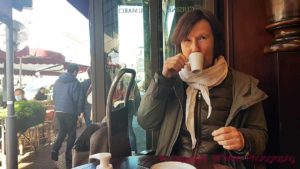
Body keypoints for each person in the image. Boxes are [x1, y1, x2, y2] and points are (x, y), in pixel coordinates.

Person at [137, 9, 268, 168]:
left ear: (215, 42)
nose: (194, 48)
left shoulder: (243, 85)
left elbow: (261, 135)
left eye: (202, 38)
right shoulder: (171, 82)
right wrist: (163, 80)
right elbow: (146, 121)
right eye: (187, 40)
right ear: (180, 46)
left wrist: (243, 139)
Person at [51, 63, 81, 167]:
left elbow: (54, 95)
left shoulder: (57, 81)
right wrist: (79, 111)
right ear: (75, 71)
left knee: (62, 131)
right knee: (72, 133)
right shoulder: (75, 82)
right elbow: (76, 98)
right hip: (70, 111)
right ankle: (69, 156)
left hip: (59, 110)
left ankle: (55, 149)